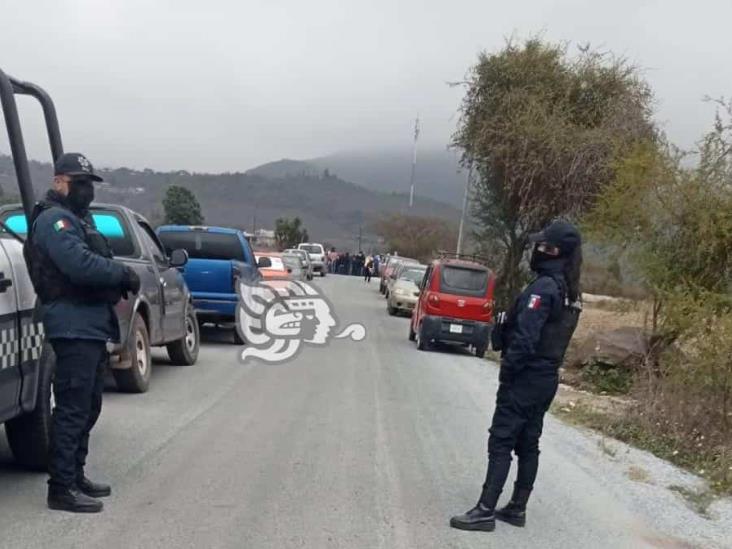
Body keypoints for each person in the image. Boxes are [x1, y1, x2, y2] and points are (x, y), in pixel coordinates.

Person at [24, 153, 141, 513]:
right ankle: (61, 487)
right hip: (71, 322)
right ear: (60, 181)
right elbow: (78, 264)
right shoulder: (54, 221)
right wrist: (120, 274)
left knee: (89, 404)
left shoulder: (77, 219)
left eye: (90, 183)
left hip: (89, 323)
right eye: (81, 182)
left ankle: (75, 475)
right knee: (73, 407)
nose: (87, 190)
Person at [450, 220, 582, 533]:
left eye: (542, 245)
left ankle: (485, 509)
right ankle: (517, 507)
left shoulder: (544, 288)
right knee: (528, 441)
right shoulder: (571, 291)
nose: (536, 250)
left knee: (502, 439)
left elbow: (525, 338)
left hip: (526, 375)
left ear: (553, 251)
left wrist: (508, 373)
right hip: (547, 376)